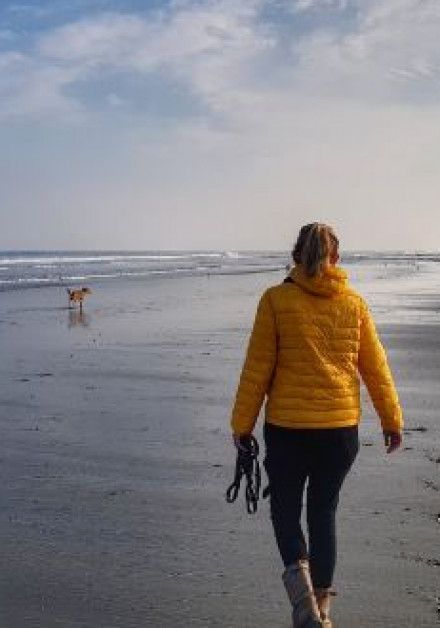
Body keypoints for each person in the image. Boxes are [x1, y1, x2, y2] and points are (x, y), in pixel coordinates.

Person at [230, 223, 403, 628]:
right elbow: (376, 368)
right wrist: (391, 420)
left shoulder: (275, 300)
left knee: (286, 513)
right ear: (336, 259)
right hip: (340, 432)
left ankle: (305, 609)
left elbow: (257, 369)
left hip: (288, 429)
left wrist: (242, 425)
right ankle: (322, 611)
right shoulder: (354, 303)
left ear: (295, 254)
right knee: (323, 514)